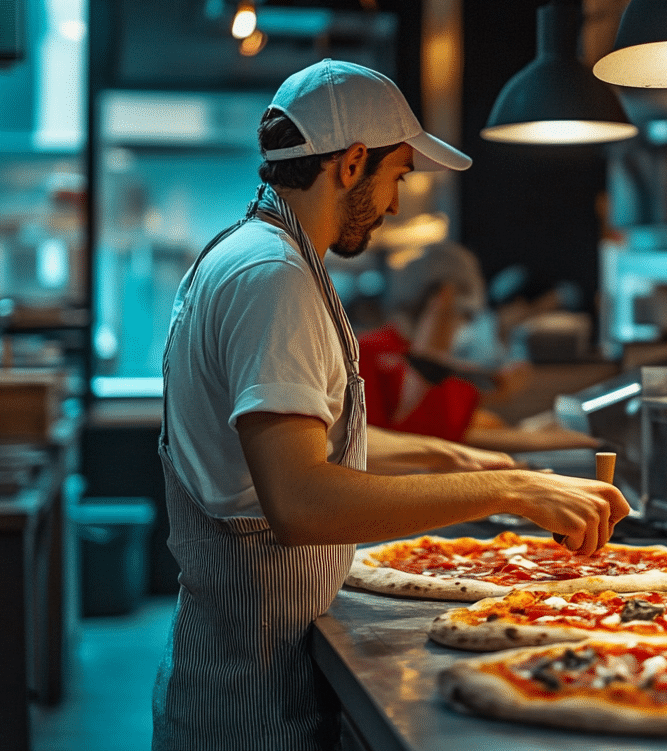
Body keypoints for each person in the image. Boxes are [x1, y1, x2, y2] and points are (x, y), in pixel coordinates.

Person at [151, 58, 631, 750]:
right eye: (397, 174)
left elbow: (305, 448)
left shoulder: (255, 254)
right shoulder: (273, 278)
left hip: (258, 659)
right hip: (248, 691)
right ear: (350, 164)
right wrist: (511, 488)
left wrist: (458, 457)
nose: (398, 202)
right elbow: (300, 498)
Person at [358, 241, 601, 452]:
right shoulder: (371, 355)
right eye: (463, 315)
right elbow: (423, 437)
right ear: (445, 300)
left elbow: (458, 431)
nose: (461, 327)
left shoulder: (406, 357)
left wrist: (544, 438)